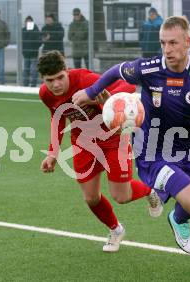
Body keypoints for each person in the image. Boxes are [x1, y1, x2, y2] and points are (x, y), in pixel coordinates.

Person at [72, 16, 190, 272]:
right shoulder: (149, 68)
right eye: (163, 43)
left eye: (173, 43)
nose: (167, 49)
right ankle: (178, 217)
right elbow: (116, 71)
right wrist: (91, 92)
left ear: (187, 41)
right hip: (153, 153)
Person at [37, 50, 163, 252]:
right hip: (83, 143)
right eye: (50, 80)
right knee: (91, 198)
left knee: (121, 196)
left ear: (67, 71)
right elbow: (58, 117)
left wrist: (95, 95)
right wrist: (53, 152)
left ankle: (149, 191)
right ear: (43, 80)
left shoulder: (86, 79)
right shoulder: (46, 94)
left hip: (113, 138)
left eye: (60, 77)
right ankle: (115, 230)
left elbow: (128, 85)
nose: (56, 85)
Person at [22, 16, 41, 87]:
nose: (28, 23)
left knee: (33, 71)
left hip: (34, 54)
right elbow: (21, 43)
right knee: (26, 70)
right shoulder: (23, 30)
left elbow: (39, 42)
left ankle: (33, 85)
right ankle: (25, 84)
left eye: (30, 22)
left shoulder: (36, 30)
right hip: (25, 54)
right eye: (27, 22)